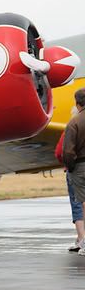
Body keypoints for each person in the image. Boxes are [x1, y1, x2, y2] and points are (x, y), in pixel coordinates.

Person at [62, 88, 85, 255]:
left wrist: (70, 167)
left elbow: (68, 151)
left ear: (77, 104)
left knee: (83, 203)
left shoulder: (74, 123)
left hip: (80, 167)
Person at [55, 127, 84, 250]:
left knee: (77, 204)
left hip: (76, 169)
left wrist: (69, 166)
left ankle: (82, 240)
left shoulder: (73, 125)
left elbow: (60, 152)